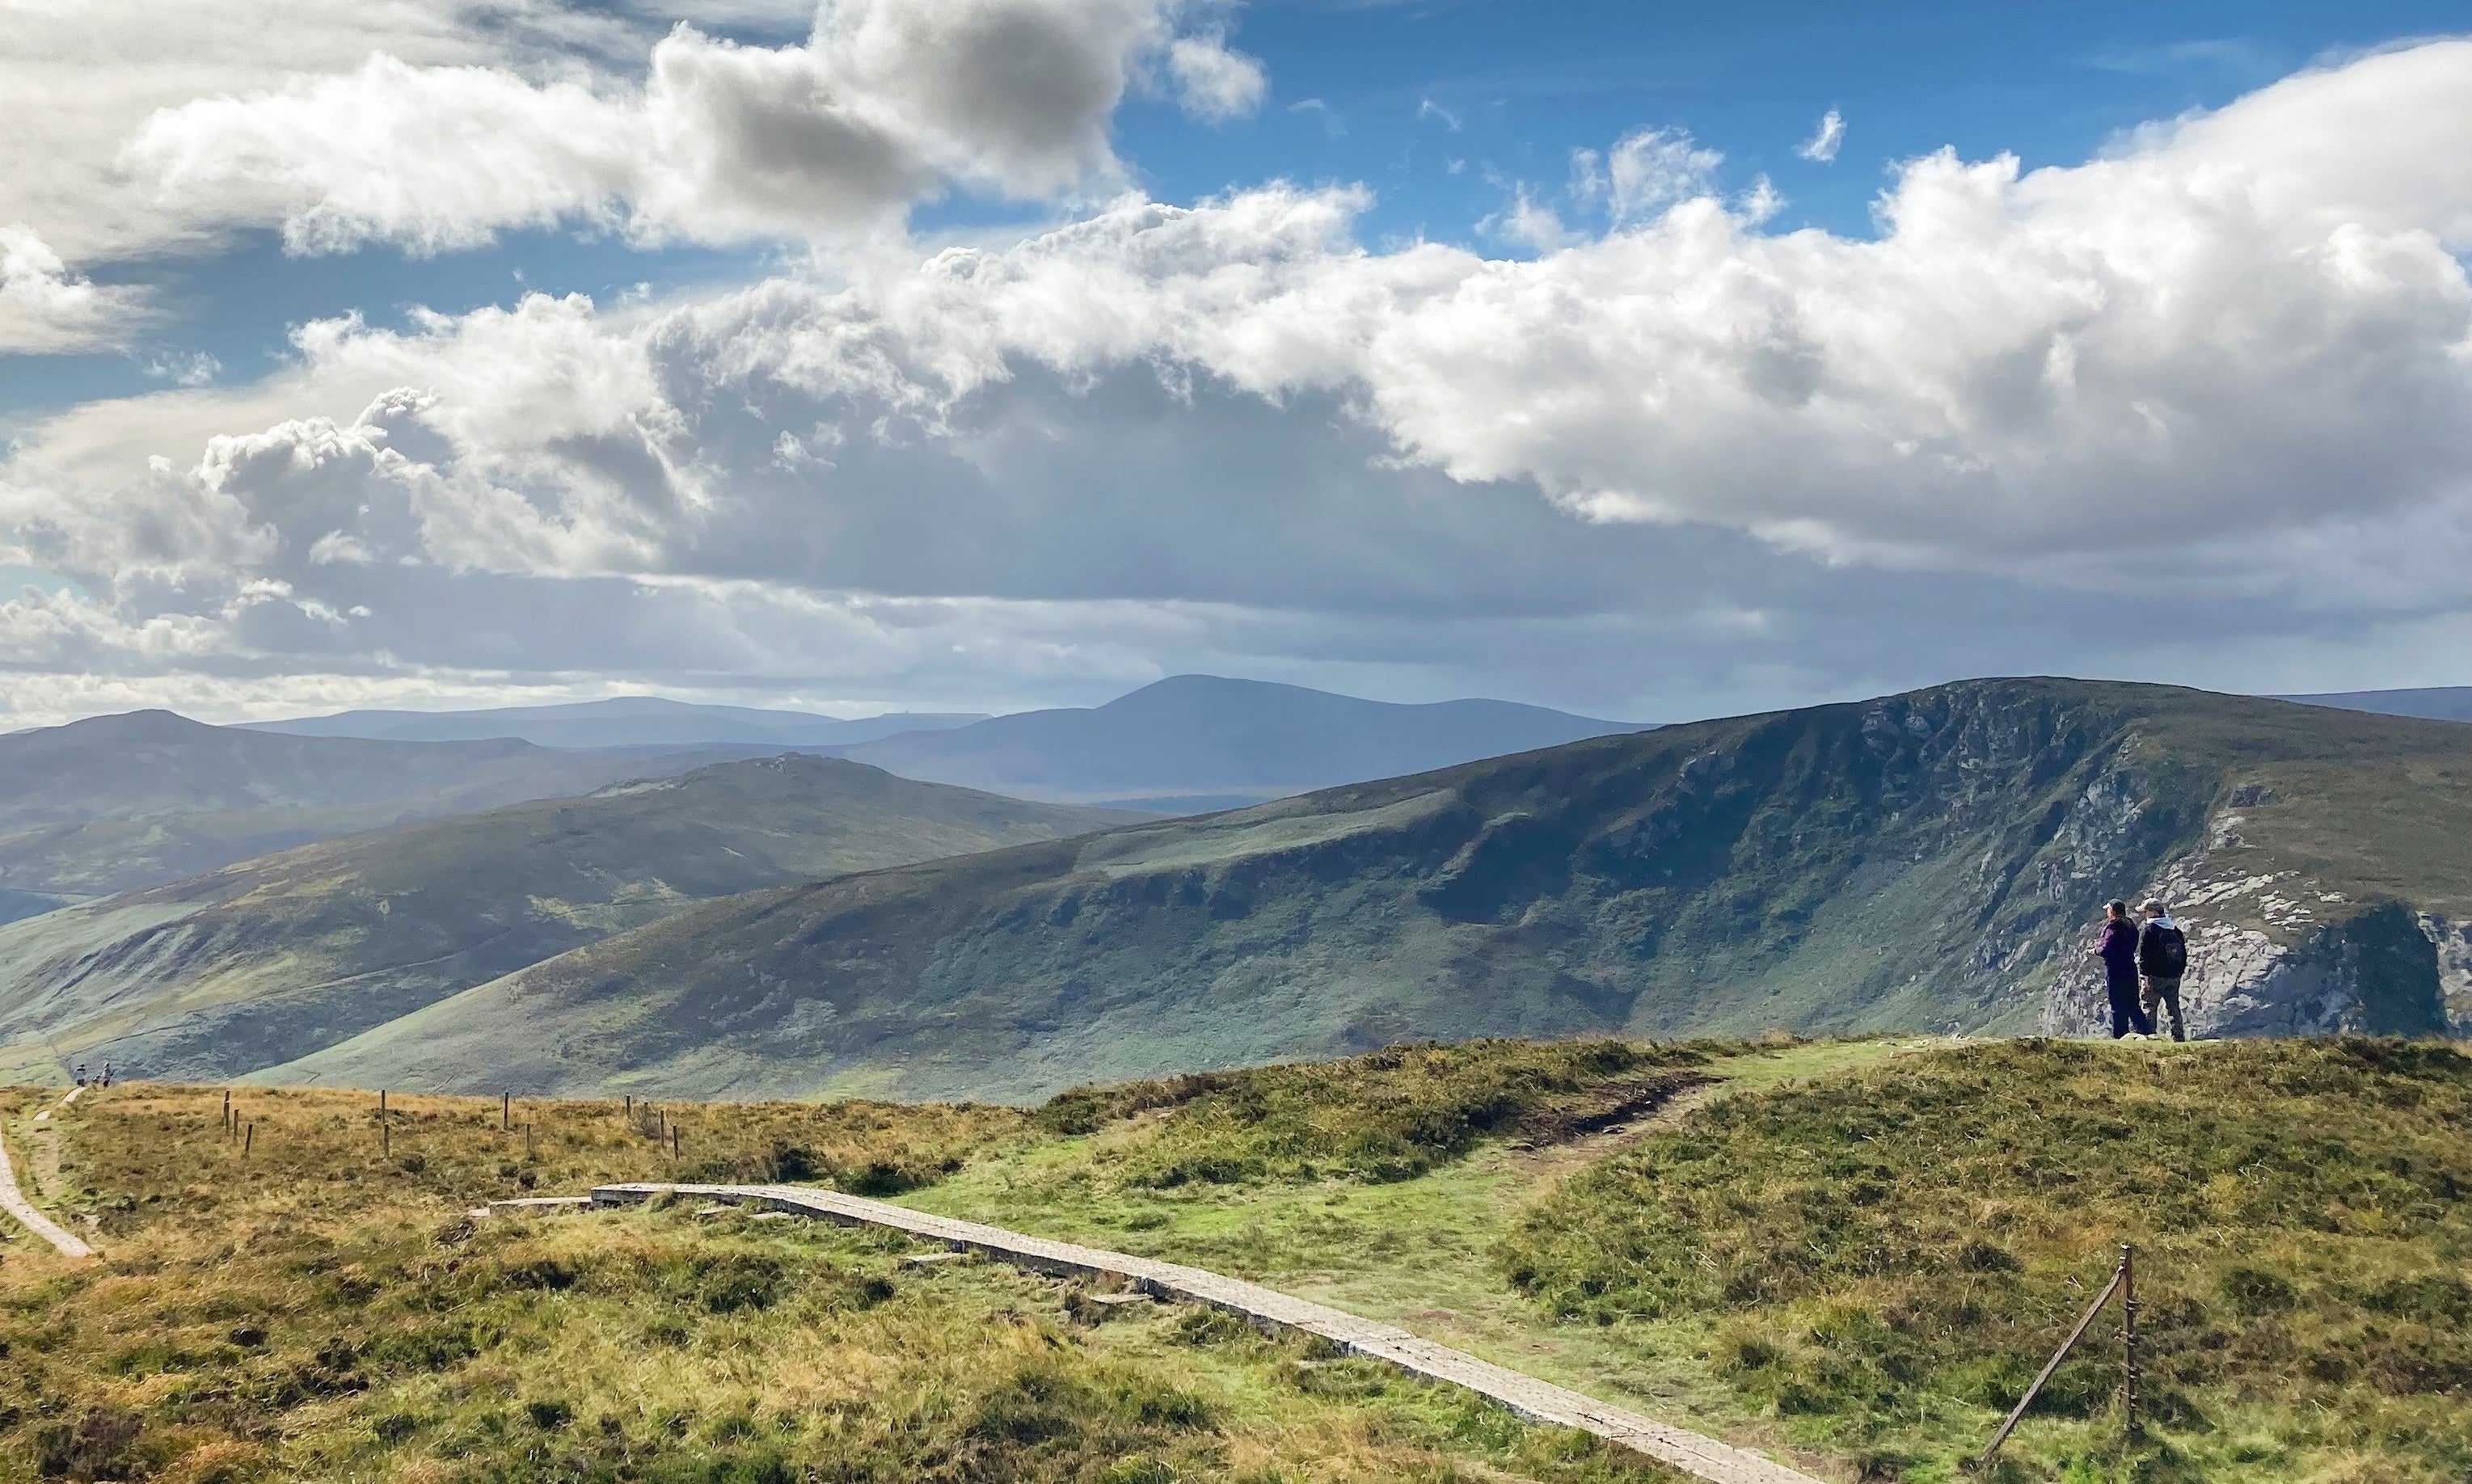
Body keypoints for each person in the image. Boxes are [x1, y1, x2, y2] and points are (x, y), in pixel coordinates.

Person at [2088, 900, 2152, 1039]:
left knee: (2117, 1005)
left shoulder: (2113, 928)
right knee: (2132, 1004)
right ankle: (2146, 1031)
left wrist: (2096, 950)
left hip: (2116, 970)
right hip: (2129, 967)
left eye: (2108, 910)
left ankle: (2120, 1035)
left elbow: (2107, 948)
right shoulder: (2130, 926)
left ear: (2113, 911)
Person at [2137, 900, 2190, 1043]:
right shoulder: (2175, 930)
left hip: (2154, 977)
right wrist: (2179, 973)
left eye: (2146, 911)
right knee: (2173, 1007)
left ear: (2153, 912)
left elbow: (2144, 955)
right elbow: (2183, 954)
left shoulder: (2150, 930)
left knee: (2149, 1006)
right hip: (2173, 977)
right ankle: (2178, 1037)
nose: (2144, 914)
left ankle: (2150, 1037)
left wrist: (2144, 977)